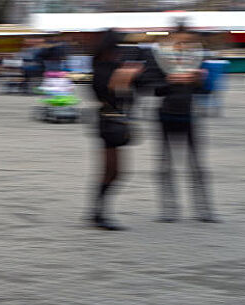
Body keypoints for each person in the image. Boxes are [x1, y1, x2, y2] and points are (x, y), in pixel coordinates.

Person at [145, 24, 218, 222]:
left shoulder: (196, 58)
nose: (183, 43)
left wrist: (199, 80)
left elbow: (206, 91)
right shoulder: (159, 58)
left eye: (187, 40)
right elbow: (152, 87)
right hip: (166, 115)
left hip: (189, 114)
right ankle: (169, 209)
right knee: (165, 165)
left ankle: (204, 210)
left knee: (197, 165)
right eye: (180, 39)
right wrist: (170, 80)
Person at [89, 30, 143, 230]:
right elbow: (109, 90)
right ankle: (98, 213)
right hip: (108, 123)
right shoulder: (103, 69)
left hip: (112, 122)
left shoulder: (110, 67)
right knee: (113, 171)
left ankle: (97, 213)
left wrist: (128, 75)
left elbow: (131, 94)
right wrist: (125, 76)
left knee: (113, 172)